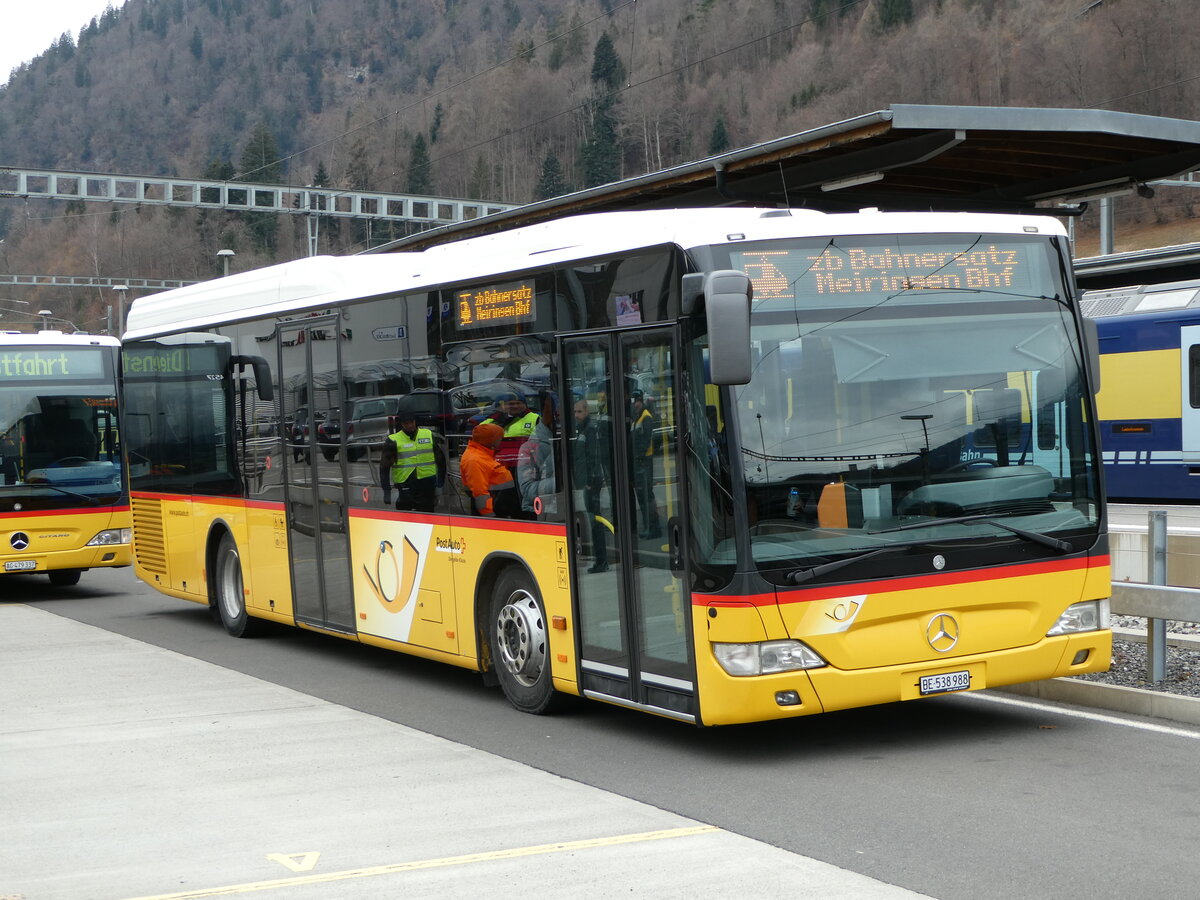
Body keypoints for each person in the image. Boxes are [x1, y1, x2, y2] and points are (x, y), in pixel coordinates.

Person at [573, 398, 611, 573]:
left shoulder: (590, 429)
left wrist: (589, 482)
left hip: (591, 483)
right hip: (587, 482)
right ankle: (599, 560)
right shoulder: (582, 429)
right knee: (593, 520)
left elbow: (593, 457)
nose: (576, 415)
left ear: (587, 411)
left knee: (595, 522)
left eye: (579, 411)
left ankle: (601, 561)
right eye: (575, 412)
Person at [379, 410, 441, 512]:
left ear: (415, 421)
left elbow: (440, 459)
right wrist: (386, 490)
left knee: (428, 517)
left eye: (411, 422)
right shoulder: (393, 440)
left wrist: (440, 482)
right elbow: (384, 467)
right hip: (406, 486)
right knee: (406, 518)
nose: (410, 425)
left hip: (427, 485)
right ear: (401, 424)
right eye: (406, 423)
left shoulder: (428, 434)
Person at [460, 422, 518, 517]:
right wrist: (490, 516)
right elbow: (480, 492)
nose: (501, 441)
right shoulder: (475, 460)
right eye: (499, 439)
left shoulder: (483, 454)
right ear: (491, 441)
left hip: (498, 507)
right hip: (493, 513)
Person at [516, 394, 557, 517]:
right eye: (555, 408)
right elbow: (527, 491)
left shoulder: (573, 440)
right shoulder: (530, 448)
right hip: (540, 513)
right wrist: (561, 483)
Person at [629, 391, 661, 539]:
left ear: (641, 401)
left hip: (644, 462)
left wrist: (637, 455)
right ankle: (648, 527)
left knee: (647, 496)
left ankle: (654, 528)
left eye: (637, 401)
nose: (635, 404)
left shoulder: (646, 417)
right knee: (642, 496)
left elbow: (646, 441)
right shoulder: (637, 418)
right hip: (638, 462)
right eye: (634, 401)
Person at [484, 391, 540, 470]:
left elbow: (541, 442)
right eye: (511, 404)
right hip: (496, 465)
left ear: (525, 405)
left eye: (518, 403)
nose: (515, 406)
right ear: (502, 406)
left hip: (526, 464)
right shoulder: (490, 422)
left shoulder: (535, 419)